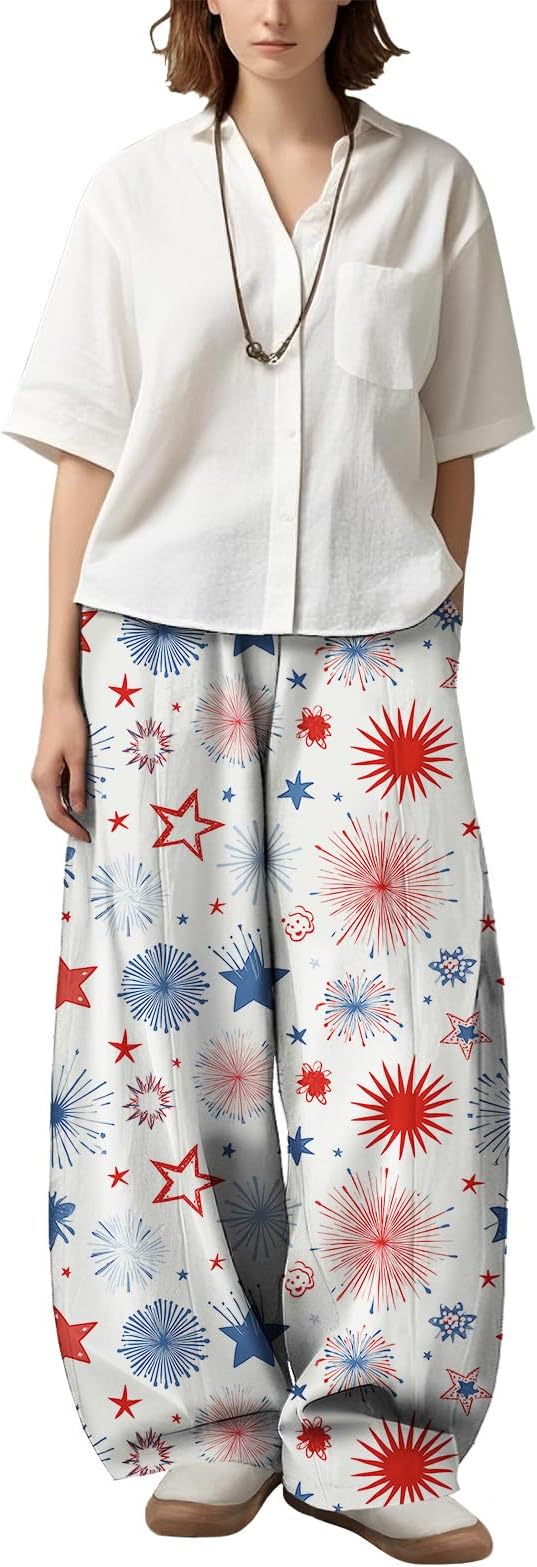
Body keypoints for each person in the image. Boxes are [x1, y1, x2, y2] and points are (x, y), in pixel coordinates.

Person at [2, 1, 533, 1560]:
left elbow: (455, 439)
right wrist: (54, 683)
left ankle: (377, 1431)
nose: (276, 8)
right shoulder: (132, 194)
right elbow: (89, 455)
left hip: (377, 652)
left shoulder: (433, 187)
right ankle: (206, 1419)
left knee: (404, 1045)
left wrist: (440, 631)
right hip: (153, 650)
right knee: (169, 1039)